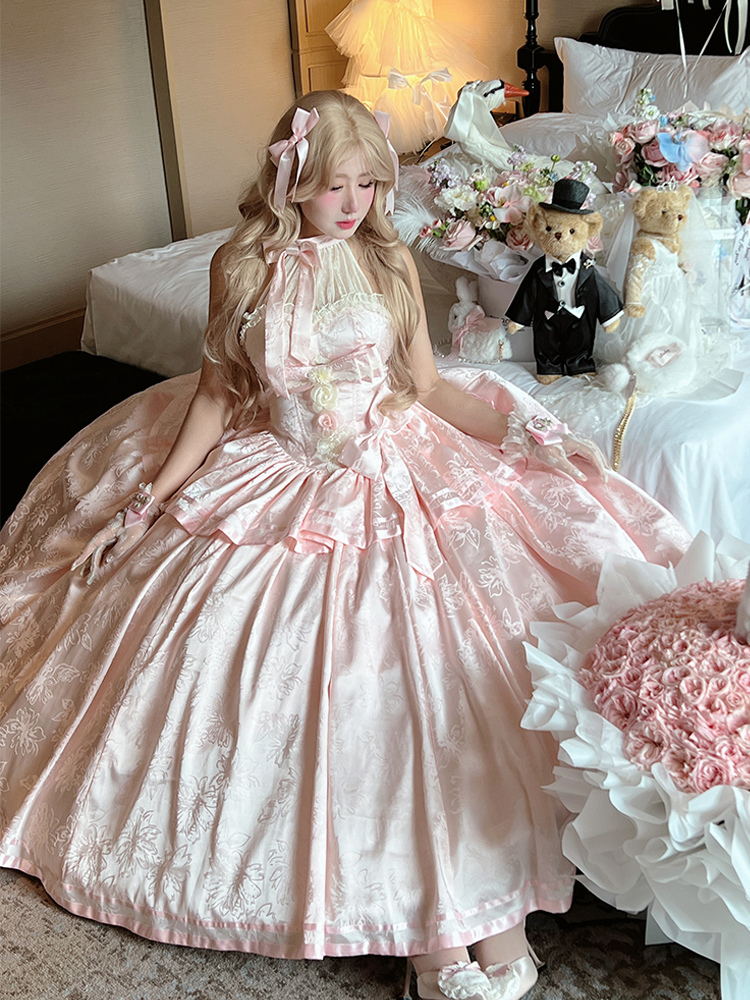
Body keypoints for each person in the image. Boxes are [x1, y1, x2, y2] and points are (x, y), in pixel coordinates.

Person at [0, 91, 687, 1000]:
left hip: (398, 462)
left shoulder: (386, 258)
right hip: (281, 470)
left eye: (370, 183)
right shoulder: (243, 265)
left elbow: (429, 389)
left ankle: (485, 915)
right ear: (291, 180)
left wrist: (530, 438)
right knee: (324, 691)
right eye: (336, 186)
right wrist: (148, 503)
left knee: (443, 674)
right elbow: (217, 395)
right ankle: (429, 938)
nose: (357, 202)